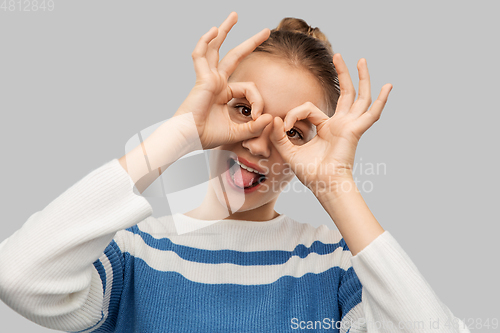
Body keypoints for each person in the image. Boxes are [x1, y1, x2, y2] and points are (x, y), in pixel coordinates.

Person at [0, 11, 470, 333]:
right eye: (243, 110)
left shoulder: (333, 267)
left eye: (296, 134)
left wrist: (337, 184)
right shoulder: (136, 254)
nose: (259, 144)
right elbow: (19, 277)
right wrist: (177, 135)